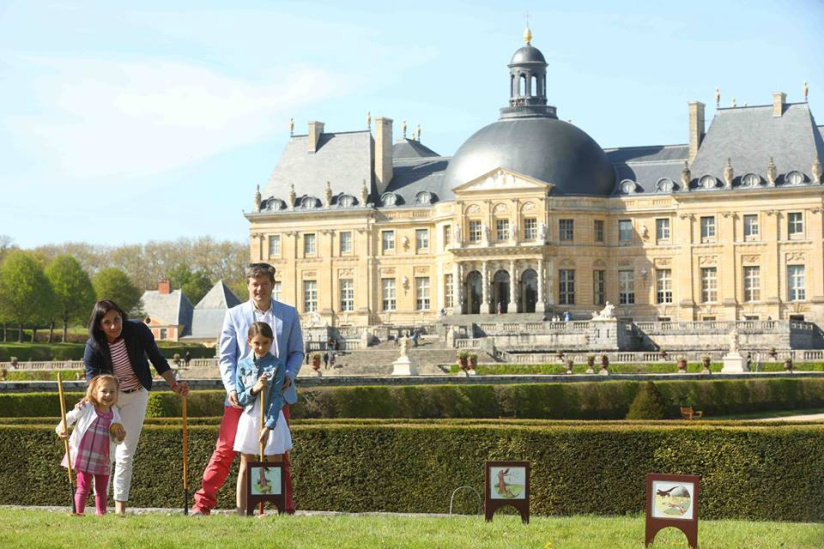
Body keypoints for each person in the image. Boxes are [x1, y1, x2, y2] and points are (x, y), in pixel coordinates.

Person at [192, 263, 304, 516]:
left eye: (264, 283)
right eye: (255, 284)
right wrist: (231, 387)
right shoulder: (234, 314)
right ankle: (203, 504)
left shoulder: (288, 314)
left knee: (278, 453)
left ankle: (283, 508)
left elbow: (297, 351)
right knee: (225, 450)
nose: (259, 289)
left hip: (277, 395)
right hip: (242, 399)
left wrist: (289, 374)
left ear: (272, 285)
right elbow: (226, 357)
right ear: (248, 286)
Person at [83, 300, 189, 515]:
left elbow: (157, 359)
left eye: (117, 319)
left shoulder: (138, 330)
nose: (114, 326)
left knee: (125, 453)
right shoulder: (93, 346)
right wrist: (88, 402)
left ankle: (120, 509)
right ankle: (101, 509)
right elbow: (91, 380)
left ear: (122, 316)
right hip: (108, 401)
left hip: (136, 396)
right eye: (107, 322)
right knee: (105, 454)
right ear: (99, 325)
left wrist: (174, 384)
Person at [234, 322, 291, 514]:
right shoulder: (242, 366)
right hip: (250, 417)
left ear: (271, 342)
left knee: (274, 463)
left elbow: (276, 397)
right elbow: (240, 398)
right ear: (249, 342)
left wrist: (269, 426)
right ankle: (242, 511)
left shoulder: (277, 364)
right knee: (246, 463)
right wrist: (255, 389)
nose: (261, 347)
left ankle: (276, 509)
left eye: (266, 343)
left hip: (270, 418)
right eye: (257, 343)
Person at [56, 374, 126, 516]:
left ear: (117, 393)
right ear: (95, 392)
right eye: (104, 391)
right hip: (84, 455)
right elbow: (68, 417)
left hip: (103, 457)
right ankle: (78, 513)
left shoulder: (116, 414)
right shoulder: (86, 407)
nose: (108, 395)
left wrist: (120, 437)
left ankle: (101, 514)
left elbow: (116, 439)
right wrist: (61, 429)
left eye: (112, 392)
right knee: (83, 487)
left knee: (101, 489)